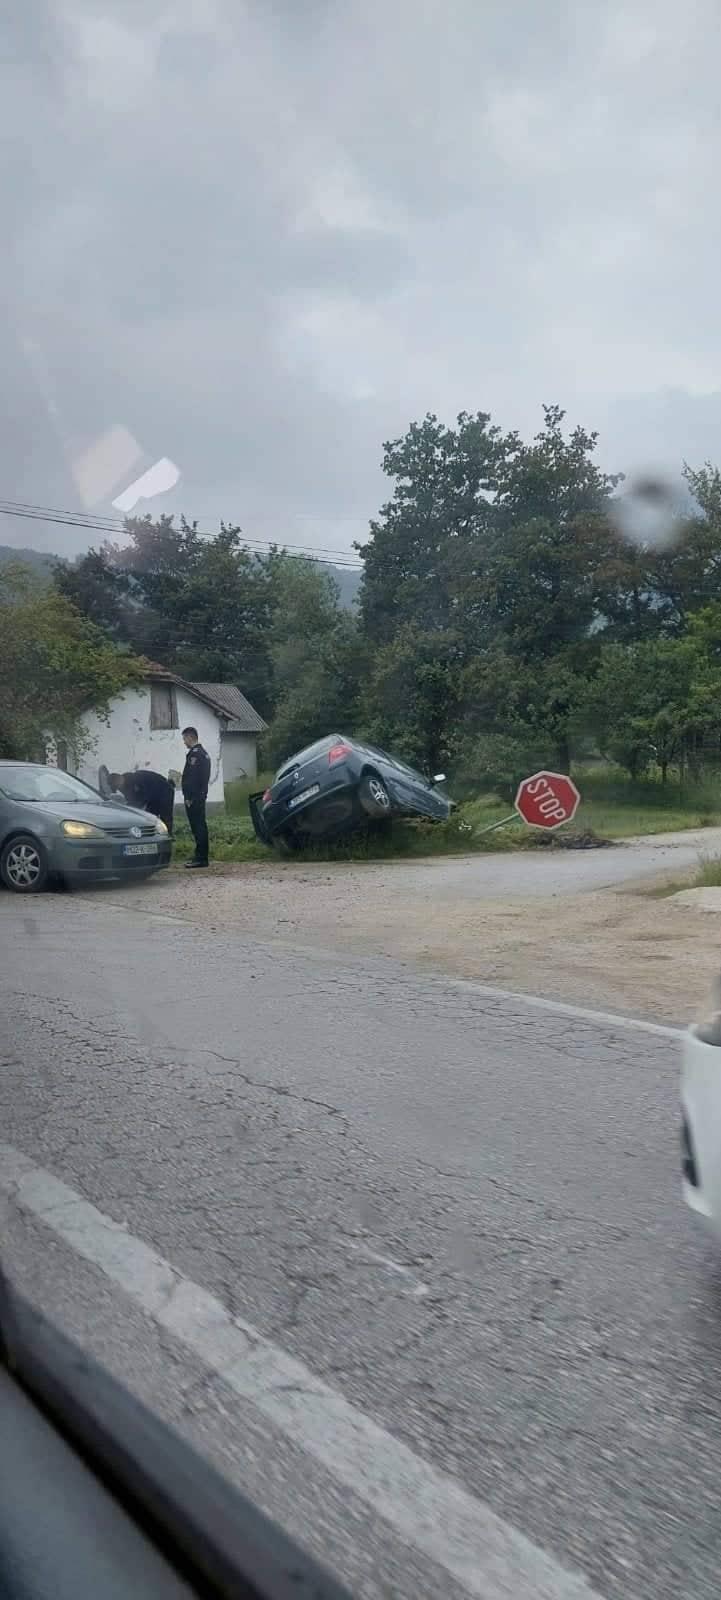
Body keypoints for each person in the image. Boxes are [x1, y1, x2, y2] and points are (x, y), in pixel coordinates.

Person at [109, 769, 176, 835]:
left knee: (165, 816)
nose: (118, 789)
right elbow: (132, 800)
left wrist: (132, 807)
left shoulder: (136, 779)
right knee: (150, 818)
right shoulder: (124, 786)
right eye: (116, 788)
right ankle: (150, 835)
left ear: (119, 779)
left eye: (117, 786)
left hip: (165, 790)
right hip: (152, 796)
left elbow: (142, 798)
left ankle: (168, 835)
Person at [181, 727, 211, 868]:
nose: (184, 742)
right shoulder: (204, 754)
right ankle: (201, 856)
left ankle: (200, 858)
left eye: (184, 739)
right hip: (200, 796)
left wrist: (188, 797)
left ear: (190, 737)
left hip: (194, 798)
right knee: (201, 826)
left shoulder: (195, 755)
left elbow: (192, 779)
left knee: (198, 827)